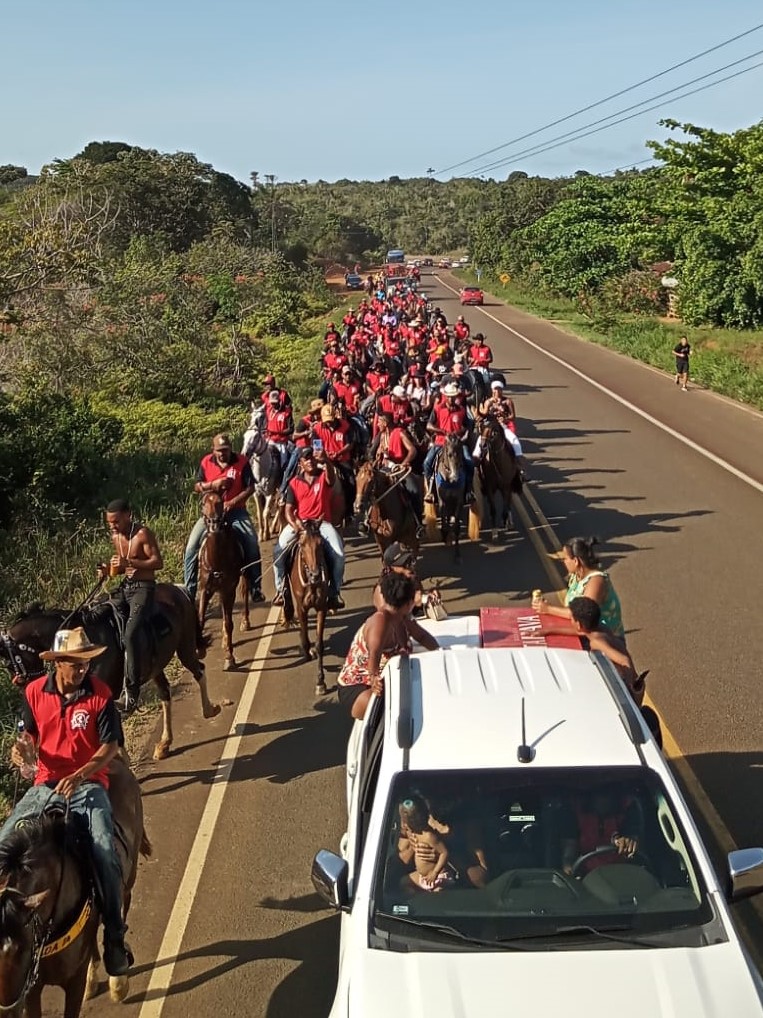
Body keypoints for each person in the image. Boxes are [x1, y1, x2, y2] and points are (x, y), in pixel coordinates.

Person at [0, 628, 130, 976]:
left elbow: (110, 747)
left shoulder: (100, 695)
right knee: (2, 843)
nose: (83, 668)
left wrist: (83, 773)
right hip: (45, 785)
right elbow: (29, 734)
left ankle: (115, 937)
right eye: (76, 663)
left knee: (104, 849)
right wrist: (23, 748)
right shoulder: (33, 693)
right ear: (58, 663)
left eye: (86, 662)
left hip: (88, 786)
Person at [337, 573, 438, 720]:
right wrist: (374, 679)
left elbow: (423, 637)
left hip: (389, 675)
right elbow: (374, 653)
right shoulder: (380, 622)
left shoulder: (404, 618)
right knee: (396, 708)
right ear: (408, 603)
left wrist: (441, 653)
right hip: (358, 687)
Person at [97, 499, 163, 716]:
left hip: (144, 587)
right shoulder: (116, 537)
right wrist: (107, 570)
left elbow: (157, 562)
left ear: (128, 515)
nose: (113, 526)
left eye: (116, 521)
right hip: (126, 586)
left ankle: (132, 693)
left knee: (131, 632)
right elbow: (119, 567)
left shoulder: (143, 534)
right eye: (109, 523)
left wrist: (131, 564)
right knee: (99, 613)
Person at [183, 434, 264, 603]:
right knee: (191, 546)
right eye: (219, 451)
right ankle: (189, 589)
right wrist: (212, 485)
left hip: (235, 511)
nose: (222, 454)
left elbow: (250, 488)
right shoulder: (206, 462)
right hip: (211, 513)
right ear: (213, 450)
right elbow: (197, 485)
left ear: (230, 449)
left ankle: (256, 586)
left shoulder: (241, 461)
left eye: (225, 450)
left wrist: (232, 502)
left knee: (251, 541)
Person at [272, 447, 345, 610]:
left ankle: (334, 592)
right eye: (306, 459)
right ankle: (281, 590)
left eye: (312, 458)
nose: (310, 461)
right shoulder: (294, 483)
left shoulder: (323, 477)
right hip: (301, 523)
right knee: (278, 552)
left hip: (322, 524)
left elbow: (332, 479)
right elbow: (288, 510)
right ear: (300, 464)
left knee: (339, 555)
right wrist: (296, 525)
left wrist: (326, 460)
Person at [546, 597, 645, 703]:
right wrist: (549, 630)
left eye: (572, 619)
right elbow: (581, 632)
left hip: (628, 688)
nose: (571, 621)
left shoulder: (597, 642)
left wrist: (628, 688)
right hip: (634, 684)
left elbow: (624, 660)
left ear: (579, 624)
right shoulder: (600, 627)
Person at [532, 536, 624, 638]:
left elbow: (582, 618)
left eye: (565, 559)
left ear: (575, 561)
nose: (564, 562)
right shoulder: (576, 577)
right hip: (585, 634)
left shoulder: (596, 581)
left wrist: (548, 609)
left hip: (605, 640)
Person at [560, 787, 642, 876]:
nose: (603, 799)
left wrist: (628, 843)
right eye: (599, 794)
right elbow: (569, 854)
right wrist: (569, 869)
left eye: (607, 793)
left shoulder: (628, 807)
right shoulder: (574, 810)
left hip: (622, 875)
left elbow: (633, 841)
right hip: (586, 877)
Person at [423, 382, 475, 504]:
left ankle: (469, 491)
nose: (451, 398)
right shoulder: (438, 408)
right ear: (445, 396)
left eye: (453, 396)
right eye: (449, 396)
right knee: (427, 462)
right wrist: (442, 431)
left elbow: (468, 426)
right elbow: (429, 425)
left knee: (469, 463)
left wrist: (460, 432)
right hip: (441, 442)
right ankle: (430, 490)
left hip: (457, 444)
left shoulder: (461, 410)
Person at [398, 794, 452, 892]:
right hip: (423, 877)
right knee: (403, 882)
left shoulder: (429, 836)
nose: (405, 826)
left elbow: (444, 853)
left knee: (438, 893)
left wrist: (435, 873)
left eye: (408, 823)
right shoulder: (412, 832)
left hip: (437, 877)